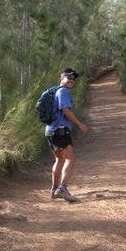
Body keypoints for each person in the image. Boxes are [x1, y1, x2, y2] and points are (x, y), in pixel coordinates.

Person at [45, 68, 88, 202]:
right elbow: (65, 110)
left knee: (59, 160)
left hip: (50, 131)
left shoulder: (56, 92)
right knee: (70, 158)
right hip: (60, 130)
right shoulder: (63, 91)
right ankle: (62, 188)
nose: (72, 80)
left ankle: (54, 190)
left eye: (73, 79)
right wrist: (79, 124)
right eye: (69, 78)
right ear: (61, 79)